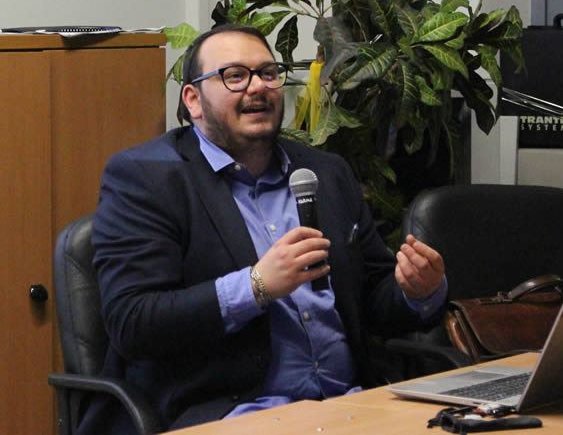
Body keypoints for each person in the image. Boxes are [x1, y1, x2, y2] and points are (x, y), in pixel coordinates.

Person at [80, 24, 448, 434]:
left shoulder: (325, 172)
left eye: (268, 73)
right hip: (231, 414)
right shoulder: (146, 178)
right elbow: (133, 322)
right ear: (193, 100)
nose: (257, 87)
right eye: (235, 76)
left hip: (350, 405)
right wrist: (256, 286)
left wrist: (417, 292)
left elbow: (374, 297)